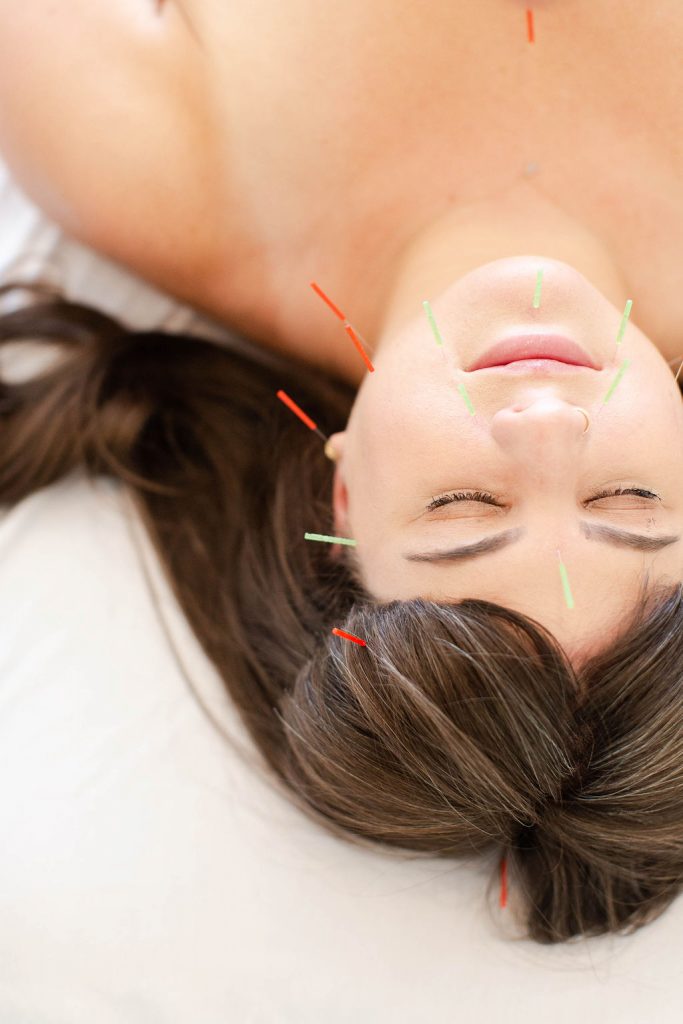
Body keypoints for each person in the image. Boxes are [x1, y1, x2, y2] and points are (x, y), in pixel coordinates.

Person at [1, 1, 683, 944]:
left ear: (345, 496)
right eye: (624, 497)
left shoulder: (141, 165)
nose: (543, 424)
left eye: (464, 506)